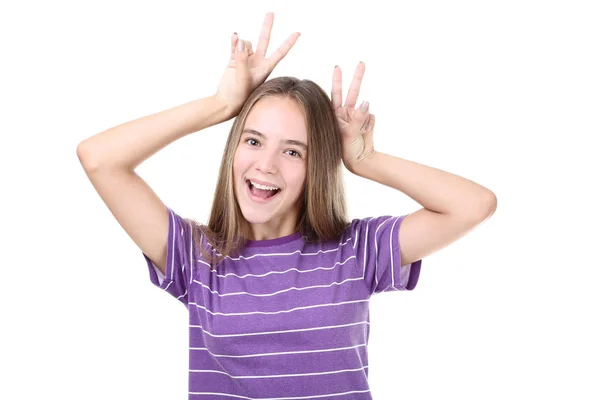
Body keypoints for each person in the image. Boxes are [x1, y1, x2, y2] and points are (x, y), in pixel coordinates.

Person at [77, 12, 496, 400]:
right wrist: (221, 105)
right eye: (253, 140)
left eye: (293, 152)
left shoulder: (355, 250)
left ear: (317, 167)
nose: (266, 165)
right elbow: (99, 158)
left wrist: (365, 161)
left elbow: (473, 205)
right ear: (234, 148)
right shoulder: (195, 256)